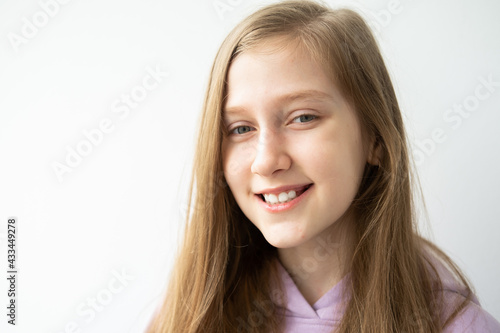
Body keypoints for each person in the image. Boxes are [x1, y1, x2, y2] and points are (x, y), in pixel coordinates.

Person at [147, 1, 500, 332]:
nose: (266, 161)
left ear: (375, 139)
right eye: (241, 129)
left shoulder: (457, 324)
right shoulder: (187, 314)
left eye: (302, 117)